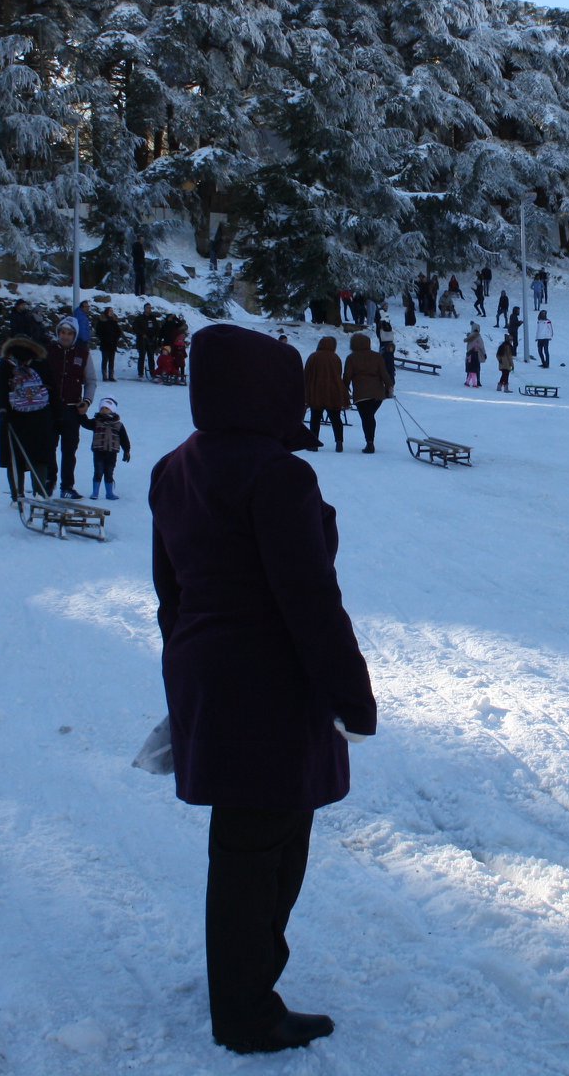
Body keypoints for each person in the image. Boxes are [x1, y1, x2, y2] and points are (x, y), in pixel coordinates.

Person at [149, 324, 376, 1056]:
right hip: (269, 685)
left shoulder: (175, 467)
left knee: (247, 841)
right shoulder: (277, 476)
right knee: (264, 849)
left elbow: (171, 592)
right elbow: (309, 599)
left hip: (208, 673)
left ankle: (239, 983)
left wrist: (187, 675)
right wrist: (352, 693)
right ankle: (246, 1010)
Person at [0, 335, 59, 502]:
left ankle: (32, 493)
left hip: (27, 416)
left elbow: (2, 390)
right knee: (24, 456)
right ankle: (24, 494)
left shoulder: (11, 364)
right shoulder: (10, 365)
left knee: (30, 456)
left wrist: (3, 410)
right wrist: (3, 410)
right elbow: (2, 389)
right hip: (25, 416)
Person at [50, 317, 98, 497]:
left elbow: (91, 381)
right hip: (50, 409)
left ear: (74, 335)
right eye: (63, 332)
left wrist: (87, 401)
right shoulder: (48, 351)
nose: (65, 336)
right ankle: (49, 481)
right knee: (49, 447)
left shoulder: (83, 354)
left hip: (72, 410)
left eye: (69, 333)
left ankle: (67, 486)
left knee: (69, 450)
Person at [343, 331, 389, 454]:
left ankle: (369, 443)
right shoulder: (377, 356)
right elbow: (384, 374)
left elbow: (347, 376)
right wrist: (389, 387)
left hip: (361, 394)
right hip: (377, 394)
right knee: (369, 416)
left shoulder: (351, 358)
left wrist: (344, 388)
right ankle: (370, 441)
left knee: (366, 417)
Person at [303, 336, 349, 451]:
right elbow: (338, 374)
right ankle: (339, 442)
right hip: (332, 392)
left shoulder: (313, 356)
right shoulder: (335, 358)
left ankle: (313, 444)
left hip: (316, 391)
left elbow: (306, 374)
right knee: (336, 419)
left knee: (315, 418)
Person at [88, 396, 132, 499]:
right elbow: (85, 423)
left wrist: (126, 451)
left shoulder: (118, 425)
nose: (103, 410)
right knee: (98, 472)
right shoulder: (96, 422)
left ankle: (109, 493)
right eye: (102, 408)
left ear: (112, 410)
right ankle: (95, 493)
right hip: (98, 452)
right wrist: (80, 414)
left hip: (112, 453)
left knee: (109, 472)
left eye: (106, 408)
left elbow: (124, 439)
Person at [94, 306, 123, 382]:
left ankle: (111, 376)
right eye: (110, 311)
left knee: (111, 360)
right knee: (105, 360)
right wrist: (104, 338)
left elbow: (118, 331)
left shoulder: (114, 321)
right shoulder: (102, 321)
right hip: (105, 343)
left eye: (112, 311)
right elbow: (98, 332)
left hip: (113, 343)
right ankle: (104, 376)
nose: (111, 312)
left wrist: (116, 338)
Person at [134, 304, 159, 379]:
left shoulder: (153, 318)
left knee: (151, 357)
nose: (149, 309)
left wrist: (155, 336)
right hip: (142, 340)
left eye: (150, 308)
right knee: (142, 356)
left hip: (151, 340)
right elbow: (135, 328)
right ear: (144, 309)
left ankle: (152, 373)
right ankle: (140, 373)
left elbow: (157, 328)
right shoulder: (139, 318)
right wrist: (142, 334)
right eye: (148, 308)